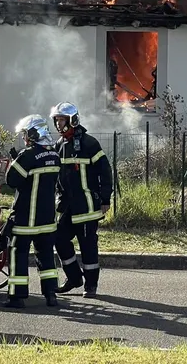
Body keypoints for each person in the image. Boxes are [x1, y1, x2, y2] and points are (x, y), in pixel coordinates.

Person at [50, 102, 112, 298]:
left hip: (87, 206)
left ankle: (91, 285)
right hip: (68, 206)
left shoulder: (89, 144)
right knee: (59, 239)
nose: (59, 124)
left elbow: (105, 171)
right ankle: (75, 278)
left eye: (62, 120)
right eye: (57, 120)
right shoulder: (59, 145)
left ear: (73, 120)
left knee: (88, 246)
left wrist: (105, 199)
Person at [2, 114, 61, 309]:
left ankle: (16, 298)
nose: (25, 139)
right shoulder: (54, 156)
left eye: (26, 135)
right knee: (45, 256)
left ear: (34, 135)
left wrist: (15, 161)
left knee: (17, 254)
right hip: (47, 220)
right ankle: (51, 294)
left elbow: (12, 181)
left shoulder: (26, 156)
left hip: (26, 219)